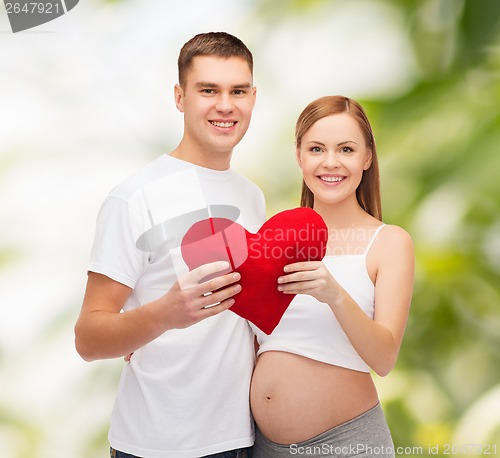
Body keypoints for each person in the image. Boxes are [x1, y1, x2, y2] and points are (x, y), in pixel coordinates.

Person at [74, 32, 265, 458]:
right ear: (180, 97)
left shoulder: (252, 196)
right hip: (156, 446)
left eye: (237, 91)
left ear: (253, 97)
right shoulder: (135, 197)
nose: (225, 105)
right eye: (208, 90)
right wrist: (166, 313)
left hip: (241, 438)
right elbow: (88, 338)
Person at [249, 95, 414, 457]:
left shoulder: (388, 243)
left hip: (346, 446)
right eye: (317, 149)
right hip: (260, 446)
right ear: (299, 156)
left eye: (346, 149)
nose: (330, 162)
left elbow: (384, 359)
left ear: (367, 157)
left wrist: (334, 293)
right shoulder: (271, 237)